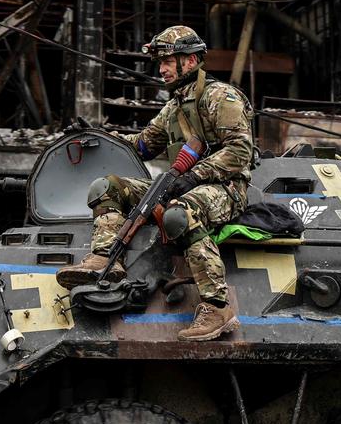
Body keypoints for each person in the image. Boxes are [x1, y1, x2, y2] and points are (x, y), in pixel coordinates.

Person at [56, 25, 253, 341]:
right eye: (160, 62)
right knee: (106, 187)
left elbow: (241, 151)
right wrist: (97, 137)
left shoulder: (220, 97)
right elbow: (143, 144)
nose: (160, 69)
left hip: (226, 188)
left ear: (189, 61)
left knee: (178, 213)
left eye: (166, 60)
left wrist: (193, 176)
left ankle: (217, 307)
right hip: (182, 183)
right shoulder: (174, 106)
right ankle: (106, 258)